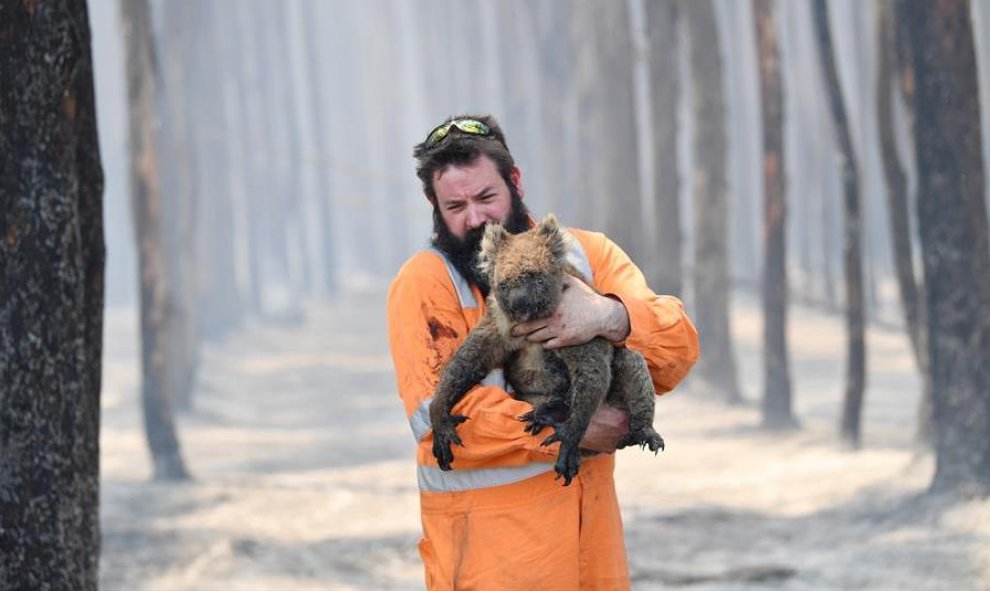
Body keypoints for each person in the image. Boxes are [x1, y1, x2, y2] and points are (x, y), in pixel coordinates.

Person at [387, 114, 699, 590]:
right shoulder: (426, 284)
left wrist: (609, 317)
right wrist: (568, 429)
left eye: (486, 197)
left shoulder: (586, 255)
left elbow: (677, 349)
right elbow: (437, 417)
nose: (475, 218)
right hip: (489, 567)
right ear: (434, 205)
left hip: (592, 559)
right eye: (455, 205)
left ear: (515, 181)